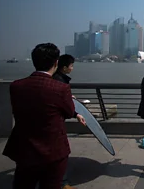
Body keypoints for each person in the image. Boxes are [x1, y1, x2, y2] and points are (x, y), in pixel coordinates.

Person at [3, 43, 75, 189]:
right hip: (53, 147)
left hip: (24, 147)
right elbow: (68, 112)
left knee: (23, 184)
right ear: (56, 63)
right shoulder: (61, 88)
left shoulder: (16, 86)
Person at [52, 54, 86, 189]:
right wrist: (76, 114)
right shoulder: (60, 82)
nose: (72, 68)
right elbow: (63, 105)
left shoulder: (56, 79)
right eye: (71, 66)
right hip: (55, 124)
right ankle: (62, 183)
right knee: (60, 153)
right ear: (64, 67)